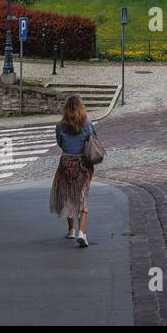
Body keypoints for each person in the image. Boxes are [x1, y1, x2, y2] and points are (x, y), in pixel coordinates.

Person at [50, 95, 99, 248]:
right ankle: (82, 234)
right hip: (82, 163)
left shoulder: (60, 125)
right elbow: (94, 139)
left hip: (66, 162)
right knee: (82, 196)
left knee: (68, 195)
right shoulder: (87, 124)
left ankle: (71, 230)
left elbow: (59, 142)